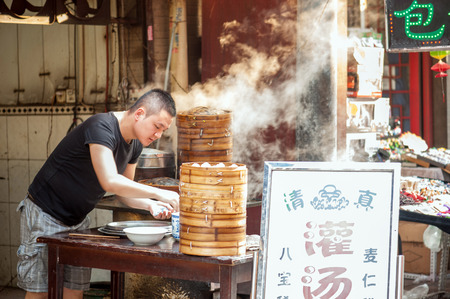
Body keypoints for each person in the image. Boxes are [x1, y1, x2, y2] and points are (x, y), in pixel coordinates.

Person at [16, 88, 180, 299]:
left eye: (163, 130)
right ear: (139, 113)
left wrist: (149, 204)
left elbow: (124, 190)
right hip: (44, 213)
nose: (158, 135)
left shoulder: (136, 145)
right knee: (40, 292)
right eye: (157, 127)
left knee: (74, 292)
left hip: (77, 221)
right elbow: (110, 180)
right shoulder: (101, 126)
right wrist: (161, 194)